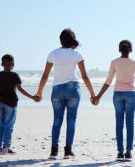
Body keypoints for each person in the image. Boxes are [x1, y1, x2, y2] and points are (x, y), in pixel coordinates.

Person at [34, 28, 96, 159]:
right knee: (71, 120)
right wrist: (92, 94)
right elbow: (84, 76)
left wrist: (39, 92)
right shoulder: (77, 54)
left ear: (60, 40)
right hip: (73, 88)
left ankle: (54, 151)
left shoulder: (53, 54)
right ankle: (68, 151)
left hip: (57, 89)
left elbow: (45, 76)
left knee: (57, 120)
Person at [0, 54, 38, 155]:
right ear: (13, 65)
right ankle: (6, 147)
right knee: (9, 126)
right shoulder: (14, 75)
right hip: (11, 103)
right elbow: (20, 89)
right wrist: (32, 97)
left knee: (1, 125)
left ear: (2, 64)